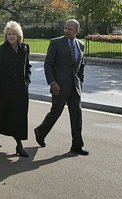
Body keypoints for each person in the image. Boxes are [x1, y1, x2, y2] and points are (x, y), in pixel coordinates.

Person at [34, 19, 89, 156]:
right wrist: (52, 82)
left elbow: (81, 64)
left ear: (77, 31)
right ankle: (40, 132)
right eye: (65, 28)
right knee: (55, 113)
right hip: (59, 86)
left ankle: (77, 145)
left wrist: (80, 80)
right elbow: (48, 64)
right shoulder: (56, 43)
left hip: (75, 87)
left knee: (77, 115)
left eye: (70, 29)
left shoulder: (81, 45)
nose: (67, 31)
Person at [0, 21, 31, 157]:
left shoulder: (25, 48)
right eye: (9, 34)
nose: (11, 36)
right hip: (6, 90)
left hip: (21, 90)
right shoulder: (0, 50)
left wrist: (27, 80)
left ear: (19, 35)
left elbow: (27, 67)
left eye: (13, 34)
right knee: (5, 115)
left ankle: (19, 145)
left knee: (20, 116)